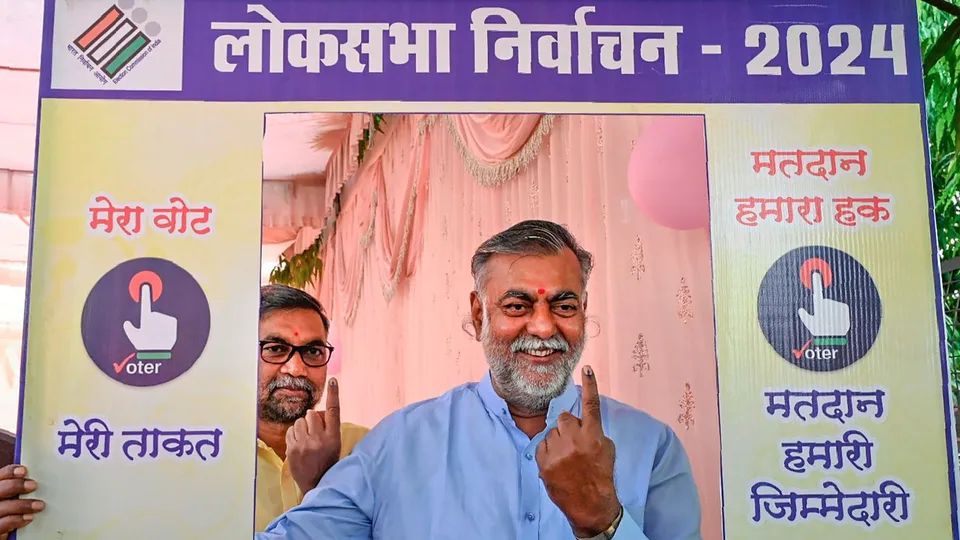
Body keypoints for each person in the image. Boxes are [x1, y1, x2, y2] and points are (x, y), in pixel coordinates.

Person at [258, 220, 702, 539]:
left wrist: (605, 522)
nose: (544, 328)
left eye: (564, 306)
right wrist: (317, 487)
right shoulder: (398, 445)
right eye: (517, 306)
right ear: (477, 314)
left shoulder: (650, 446)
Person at [0, 284, 369, 537]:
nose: (296, 368)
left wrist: (321, 486)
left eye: (314, 351)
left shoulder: (368, 450)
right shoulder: (181, 450)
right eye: (274, 348)